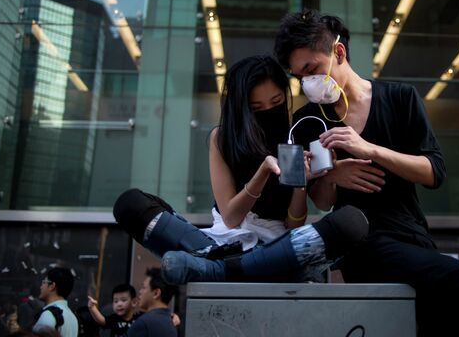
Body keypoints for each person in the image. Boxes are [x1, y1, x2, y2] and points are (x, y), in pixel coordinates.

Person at [272, 9, 459, 337]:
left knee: (457, 324)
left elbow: (434, 172)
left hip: (413, 236)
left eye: (311, 69)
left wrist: (369, 149)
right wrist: (328, 174)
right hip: (361, 243)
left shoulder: (400, 98)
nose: (306, 82)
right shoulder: (308, 120)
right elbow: (324, 203)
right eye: (299, 76)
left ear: (338, 53)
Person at [113, 56, 369, 284]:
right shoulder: (222, 138)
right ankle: (242, 268)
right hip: (219, 241)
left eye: (277, 101)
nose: (269, 111)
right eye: (257, 108)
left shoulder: (295, 136)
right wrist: (263, 172)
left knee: (350, 224)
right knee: (130, 205)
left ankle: (217, 270)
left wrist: (303, 183)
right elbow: (231, 218)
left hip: (274, 245)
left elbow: (294, 225)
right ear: (242, 108)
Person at [127, 268, 177, 337]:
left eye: (144, 287)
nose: (140, 292)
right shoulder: (172, 322)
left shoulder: (144, 323)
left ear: (156, 293)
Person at [33, 267, 78, 337]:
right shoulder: (73, 317)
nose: (41, 287)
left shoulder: (48, 315)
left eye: (44, 282)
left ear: (52, 286)